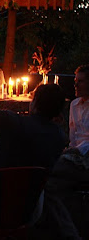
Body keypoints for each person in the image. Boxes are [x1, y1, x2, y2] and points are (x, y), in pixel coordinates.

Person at [0, 84, 66, 226]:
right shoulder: (59, 137)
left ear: (34, 103)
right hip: (27, 211)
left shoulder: (11, 122)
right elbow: (31, 149)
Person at [43, 65, 89, 239]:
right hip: (74, 156)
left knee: (46, 171)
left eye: (81, 81)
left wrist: (74, 152)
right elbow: (73, 137)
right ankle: (67, 230)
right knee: (51, 185)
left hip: (85, 159)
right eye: (75, 81)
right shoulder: (74, 105)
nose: (75, 85)